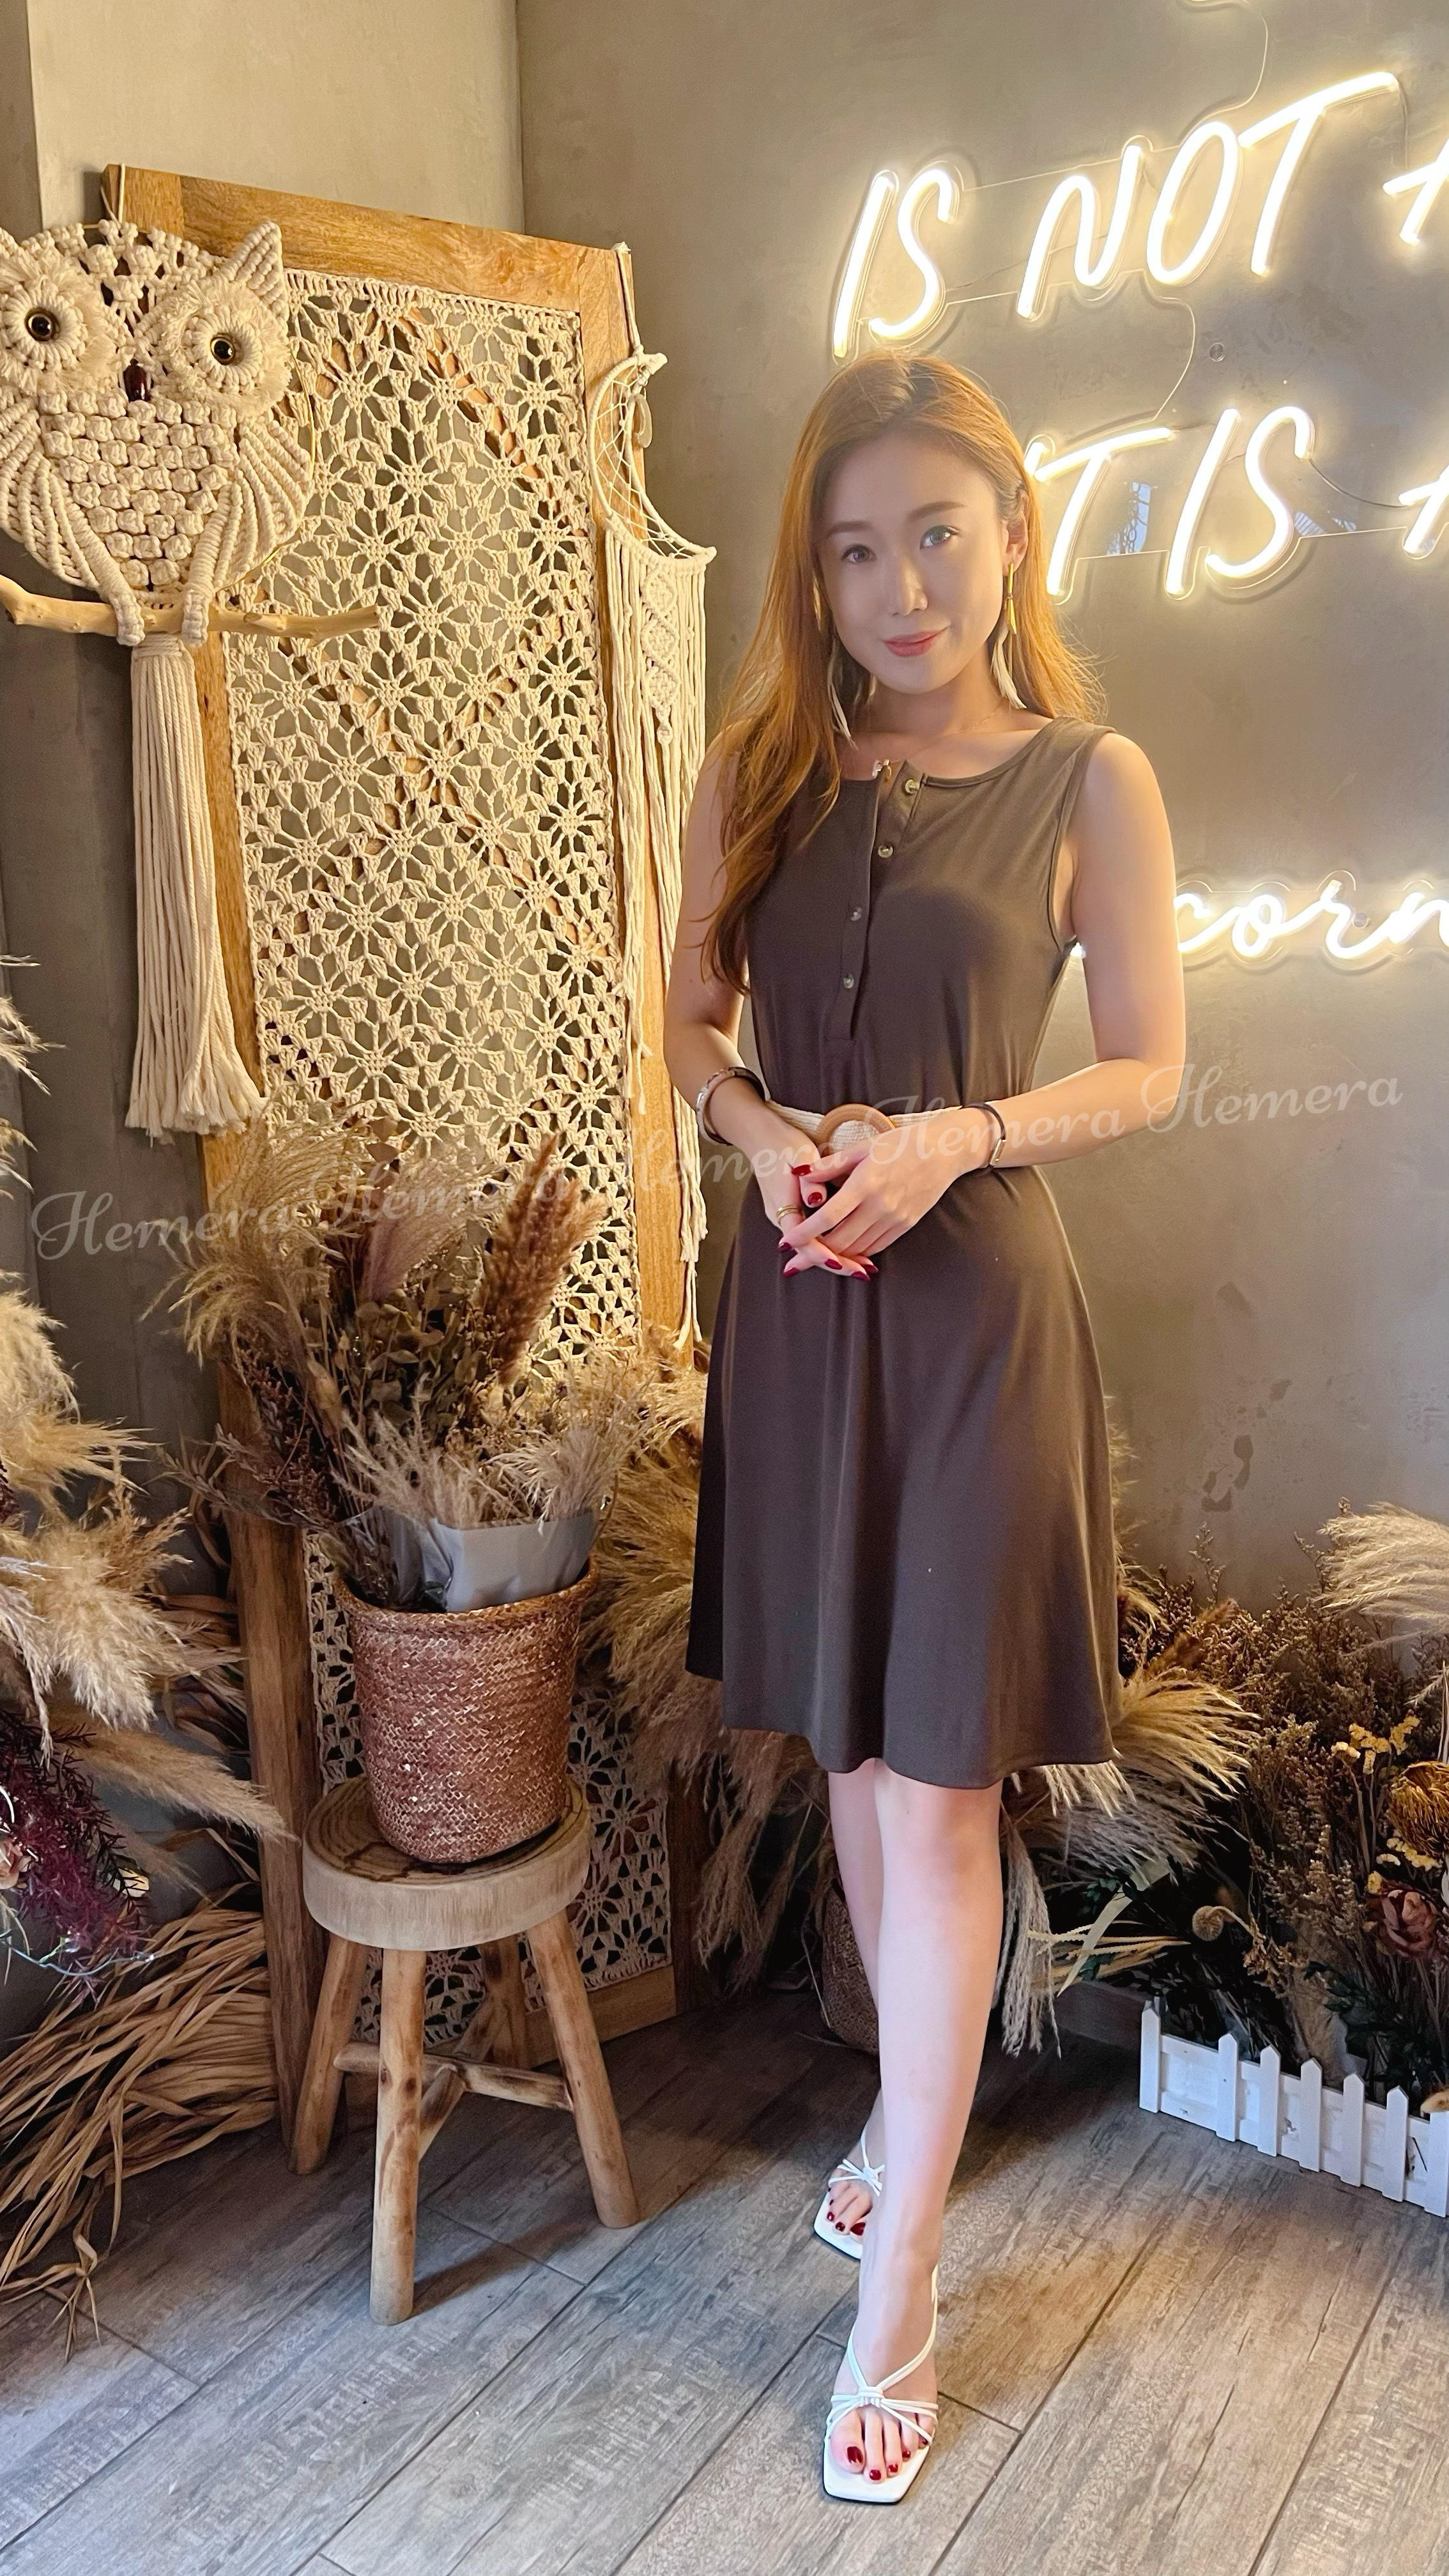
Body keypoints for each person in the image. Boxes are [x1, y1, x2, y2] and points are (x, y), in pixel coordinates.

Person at [663, 351, 1185, 2507]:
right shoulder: (756, 771)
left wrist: (949, 1135)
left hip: (974, 1321)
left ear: (1010, 536)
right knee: (858, 1766)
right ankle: (896, 2125)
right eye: (855, 547)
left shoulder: (1086, 777)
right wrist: (767, 1137)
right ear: (815, 568)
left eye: (936, 536)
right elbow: (686, 1026)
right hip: (797, 1312)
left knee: (943, 1787)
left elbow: (1146, 1062)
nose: (899, 586)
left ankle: (900, 2297)